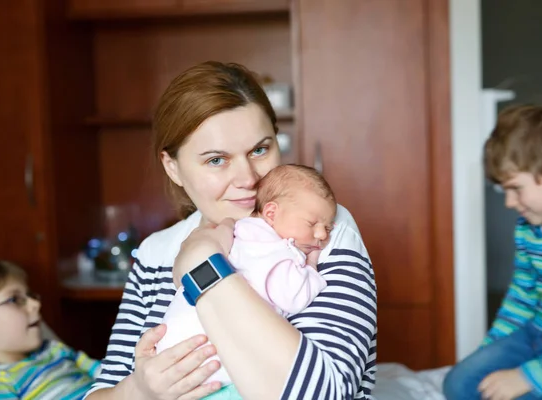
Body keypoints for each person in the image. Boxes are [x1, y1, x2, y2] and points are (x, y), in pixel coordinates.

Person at [85, 61, 377, 400]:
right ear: (173, 167)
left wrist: (204, 264)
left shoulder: (320, 231)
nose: (249, 179)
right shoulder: (155, 254)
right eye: (216, 160)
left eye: (260, 149)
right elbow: (100, 393)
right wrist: (139, 389)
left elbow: (324, 395)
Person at [156, 164, 336, 398]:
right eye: (312, 224)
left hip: (176, 351)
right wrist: (311, 267)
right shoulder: (274, 248)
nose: (322, 235)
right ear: (271, 213)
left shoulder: (240, 231)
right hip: (207, 362)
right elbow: (292, 296)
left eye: (328, 227)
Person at [443, 103, 542, 400]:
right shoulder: (528, 226)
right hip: (538, 332)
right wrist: (489, 353)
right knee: (460, 383)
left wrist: (527, 376)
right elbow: (522, 294)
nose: (509, 202)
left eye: (516, 188)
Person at [0, 260, 100, 399]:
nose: (35, 304)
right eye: (14, 299)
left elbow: (107, 373)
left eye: (30, 296)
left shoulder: (53, 349)